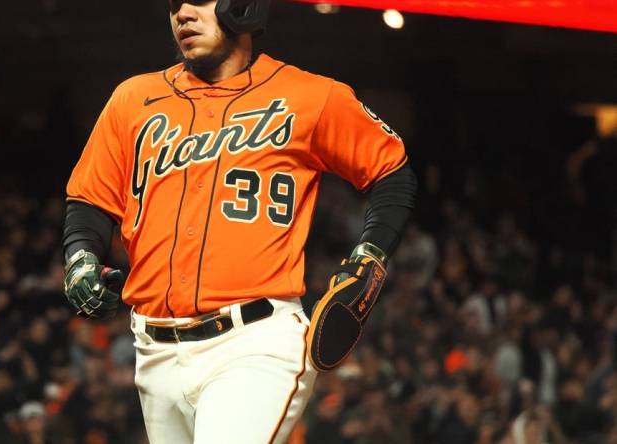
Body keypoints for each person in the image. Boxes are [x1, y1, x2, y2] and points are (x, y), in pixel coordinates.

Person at [61, 1, 417, 442]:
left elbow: (392, 171)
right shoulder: (133, 98)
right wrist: (80, 256)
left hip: (254, 344)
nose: (183, 14)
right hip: (153, 351)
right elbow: (91, 197)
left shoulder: (308, 95)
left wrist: (371, 256)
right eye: (175, 4)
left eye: (199, 0)